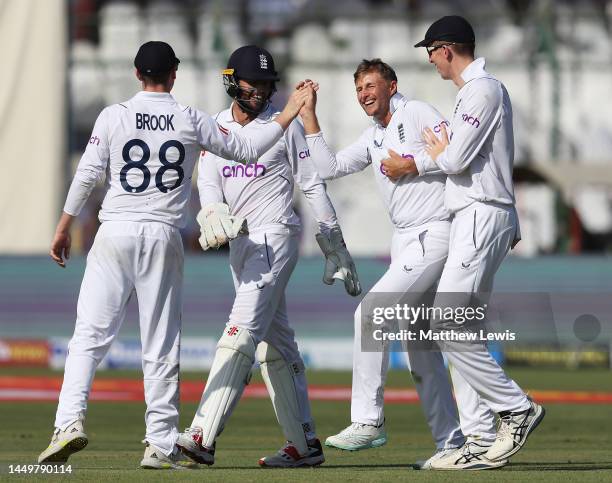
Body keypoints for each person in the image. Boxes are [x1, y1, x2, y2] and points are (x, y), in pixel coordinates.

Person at [37, 40, 310, 470]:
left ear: (136, 73)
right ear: (174, 75)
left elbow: (89, 173)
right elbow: (245, 149)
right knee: (160, 345)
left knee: (88, 337)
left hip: (114, 231)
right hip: (162, 234)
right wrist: (291, 111)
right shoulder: (188, 117)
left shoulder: (113, 116)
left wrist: (63, 227)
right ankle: (160, 443)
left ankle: (68, 422)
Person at [175, 45, 360, 469]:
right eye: (251, 83)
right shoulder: (217, 126)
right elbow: (208, 180)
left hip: (276, 237)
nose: (259, 90)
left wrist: (334, 244)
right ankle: (304, 444)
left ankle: (202, 436)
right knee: (274, 347)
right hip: (241, 244)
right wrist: (211, 212)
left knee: (239, 333)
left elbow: (312, 183)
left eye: (265, 83)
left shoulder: (285, 123)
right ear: (231, 82)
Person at [298, 59, 471, 469]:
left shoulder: (416, 113)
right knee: (420, 346)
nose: (364, 95)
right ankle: (452, 441)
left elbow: (453, 155)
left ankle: (367, 420)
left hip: (434, 232)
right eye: (359, 89)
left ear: (392, 85)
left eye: (371, 86)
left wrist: (411, 163)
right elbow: (329, 168)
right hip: (407, 239)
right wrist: (309, 116)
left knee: (371, 314)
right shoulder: (374, 135)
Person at [403, 15, 545, 469]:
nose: (429, 60)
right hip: (474, 212)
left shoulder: (483, 89)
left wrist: (440, 149)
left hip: (482, 213)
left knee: (446, 324)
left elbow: (458, 157)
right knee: (462, 330)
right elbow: (454, 156)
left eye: (431, 50)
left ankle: (517, 408)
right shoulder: (471, 93)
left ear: (446, 49)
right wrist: (438, 152)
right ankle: (480, 438)